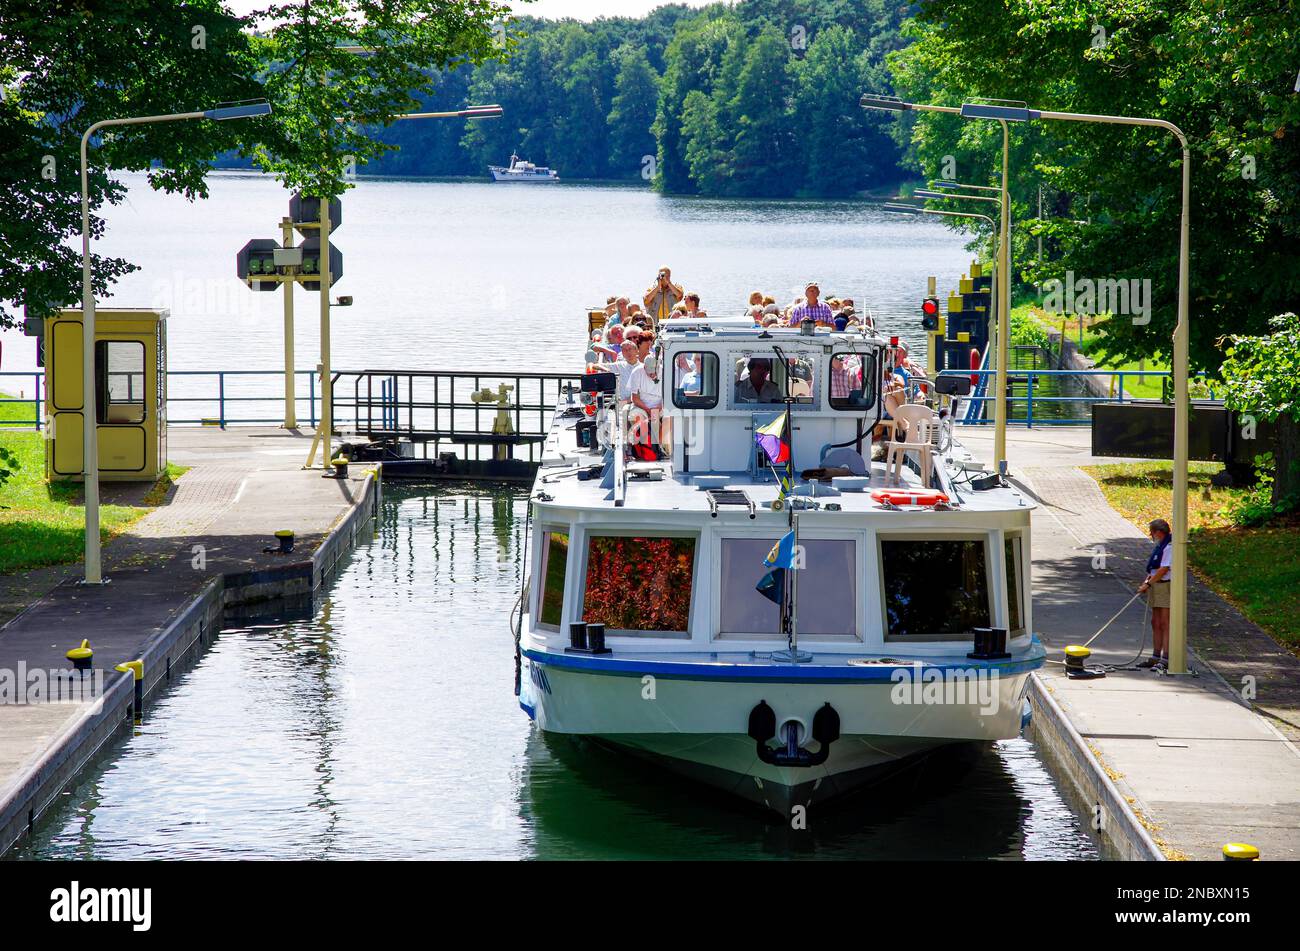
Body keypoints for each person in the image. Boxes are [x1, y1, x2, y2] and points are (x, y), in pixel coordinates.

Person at [1137, 518, 1173, 670]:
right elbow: (1154, 568)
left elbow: (1164, 568)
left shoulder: (1170, 547)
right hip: (1155, 585)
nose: (1150, 535)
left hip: (1164, 586)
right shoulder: (1160, 545)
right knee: (1155, 622)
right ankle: (1155, 656)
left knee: (1165, 622)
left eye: (1152, 532)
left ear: (1158, 532)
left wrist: (1148, 583)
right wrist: (1148, 581)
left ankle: (1166, 658)